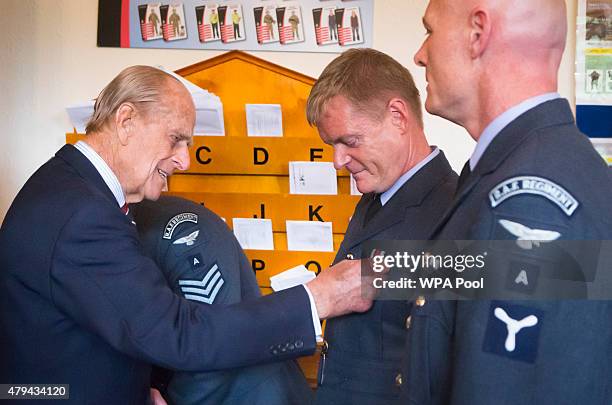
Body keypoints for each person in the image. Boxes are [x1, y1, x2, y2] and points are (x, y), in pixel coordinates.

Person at [0, 66, 373, 404]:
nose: (184, 161)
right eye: (176, 140)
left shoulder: (68, 187)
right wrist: (316, 298)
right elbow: (179, 335)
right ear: (126, 120)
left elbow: (106, 324)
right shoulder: (84, 213)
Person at [401, 1, 612, 404]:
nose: (420, 54)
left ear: (477, 34)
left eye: (429, 31)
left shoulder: (529, 199)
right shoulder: (559, 164)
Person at [306, 48, 457, 405]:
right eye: (331, 145)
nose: (337, 161)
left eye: (349, 141)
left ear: (398, 116)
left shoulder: (451, 213)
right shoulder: (376, 195)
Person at [134, 196, 313, 405]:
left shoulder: (177, 226)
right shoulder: (118, 222)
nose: (181, 163)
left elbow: (208, 351)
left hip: (244, 395)